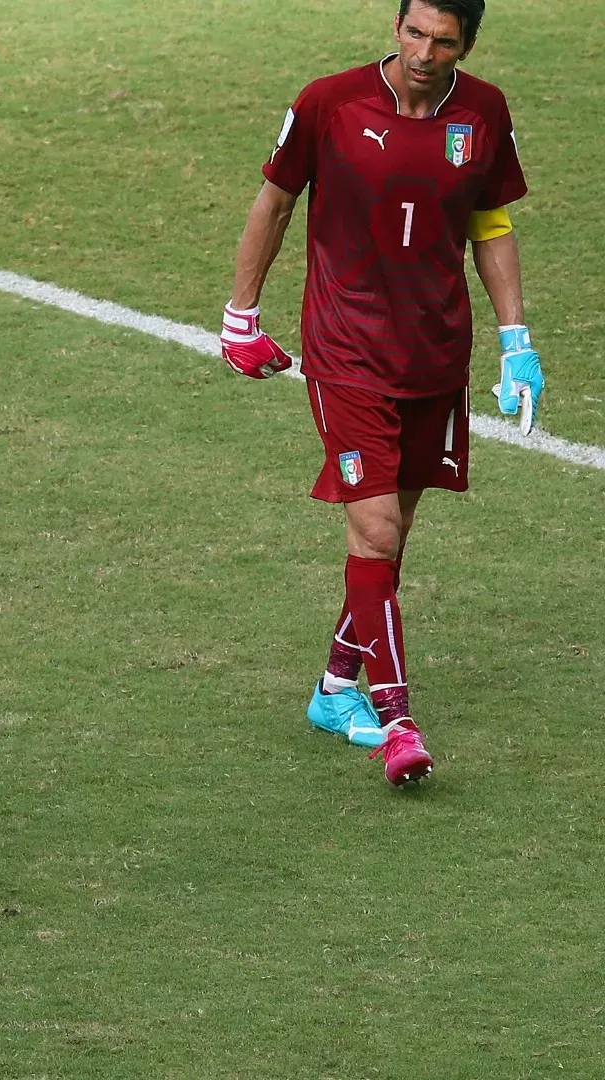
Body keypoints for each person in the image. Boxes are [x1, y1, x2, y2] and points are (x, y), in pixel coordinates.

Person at [221, 0, 535, 787]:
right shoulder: (329, 102)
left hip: (434, 355)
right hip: (347, 351)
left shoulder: (485, 112)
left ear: (468, 43)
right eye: (415, 33)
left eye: (445, 41)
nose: (425, 53)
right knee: (378, 535)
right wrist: (239, 317)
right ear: (395, 26)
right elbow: (276, 201)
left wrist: (517, 341)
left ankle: (334, 690)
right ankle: (398, 722)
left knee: (391, 541)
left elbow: (490, 225)